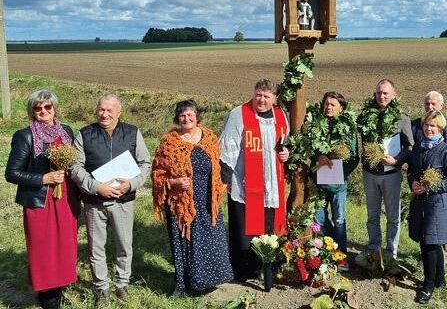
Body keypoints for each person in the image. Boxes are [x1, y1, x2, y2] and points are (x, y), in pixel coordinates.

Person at [70, 94, 151, 304]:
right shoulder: (84, 134)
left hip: (124, 202)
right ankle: (101, 288)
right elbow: (75, 167)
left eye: (109, 110)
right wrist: (97, 187)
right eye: (100, 109)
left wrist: (130, 184)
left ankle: (122, 284)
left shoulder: (132, 132)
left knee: (124, 246)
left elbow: (145, 163)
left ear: (119, 112)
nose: (104, 114)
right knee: (96, 248)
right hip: (94, 203)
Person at [5, 89, 79, 309]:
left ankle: (59, 288)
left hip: (66, 198)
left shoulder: (65, 131)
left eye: (48, 107)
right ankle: (46, 295)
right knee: (43, 248)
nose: (44, 111)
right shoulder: (24, 135)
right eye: (38, 108)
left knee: (65, 245)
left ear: (55, 108)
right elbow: (11, 173)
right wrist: (43, 178)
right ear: (32, 111)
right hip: (40, 201)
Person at [152, 100, 233, 296]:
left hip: (207, 200)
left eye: (190, 115)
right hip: (181, 203)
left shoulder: (209, 138)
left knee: (210, 239)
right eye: (182, 116)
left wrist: (221, 184)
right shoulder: (169, 143)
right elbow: (157, 175)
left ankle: (210, 280)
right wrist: (175, 183)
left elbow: (219, 162)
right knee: (185, 241)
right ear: (177, 119)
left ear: (197, 117)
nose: (187, 119)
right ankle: (183, 284)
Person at [219, 79, 290, 280]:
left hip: (271, 182)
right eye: (258, 94)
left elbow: (284, 142)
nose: (261, 99)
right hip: (244, 183)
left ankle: (268, 265)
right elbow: (228, 147)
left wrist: (286, 152)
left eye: (267, 96)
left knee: (269, 224)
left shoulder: (281, 115)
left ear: (274, 98)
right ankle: (245, 268)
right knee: (245, 227)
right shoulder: (239, 114)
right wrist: (224, 178)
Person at [407, 110, 447, 304]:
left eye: (433, 126)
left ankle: (427, 285)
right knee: (427, 239)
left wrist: (432, 186)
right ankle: (440, 279)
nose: (429, 129)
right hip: (419, 202)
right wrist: (412, 182)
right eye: (426, 125)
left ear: (440, 128)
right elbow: (411, 171)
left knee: (430, 241)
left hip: (437, 203)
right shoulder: (418, 149)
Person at [357, 79, 414, 259]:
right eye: (379, 93)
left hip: (391, 175)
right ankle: (374, 247)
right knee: (372, 214)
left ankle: (391, 251)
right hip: (370, 173)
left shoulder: (402, 118)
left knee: (393, 215)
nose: (382, 96)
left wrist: (396, 160)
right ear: (374, 94)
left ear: (393, 95)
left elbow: (410, 146)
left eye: (385, 93)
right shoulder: (365, 116)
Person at [411, 91, 447, 271]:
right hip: (422, 184)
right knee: (425, 224)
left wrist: (439, 167)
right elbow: (413, 153)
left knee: (439, 222)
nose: (430, 107)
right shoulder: (417, 126)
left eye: (433, 104)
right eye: (427, 104)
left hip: (442, 179)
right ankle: (427, 258)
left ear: (441, 105)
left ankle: (443, 261)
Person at [313, 92, 359, 270]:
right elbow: (309, 151)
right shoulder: (316, 125)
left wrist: (339, 172)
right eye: (326, 104)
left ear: (342, 108)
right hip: (318, 183)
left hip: (338, 184)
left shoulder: (348, 128)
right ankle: (331, 250)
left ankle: (341, 258)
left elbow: (354, 158)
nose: (329, 107)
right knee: (319, 219)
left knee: (339, 219)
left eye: (333, 105)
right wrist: (319, 158)